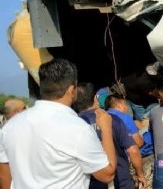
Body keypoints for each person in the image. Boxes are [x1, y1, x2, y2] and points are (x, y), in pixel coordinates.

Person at [0, 58, 116, 188]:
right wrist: (106, 129)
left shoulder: (9, 127)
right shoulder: (78, 129)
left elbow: (4, 175)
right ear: (72, 90)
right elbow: (107, 174)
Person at [73, 83, 147, 189]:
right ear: (95, 99)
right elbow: (133, 151)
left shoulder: (73, 125)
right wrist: (140, 175)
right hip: (121, 182)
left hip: (91, 185)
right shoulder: (113, 119)